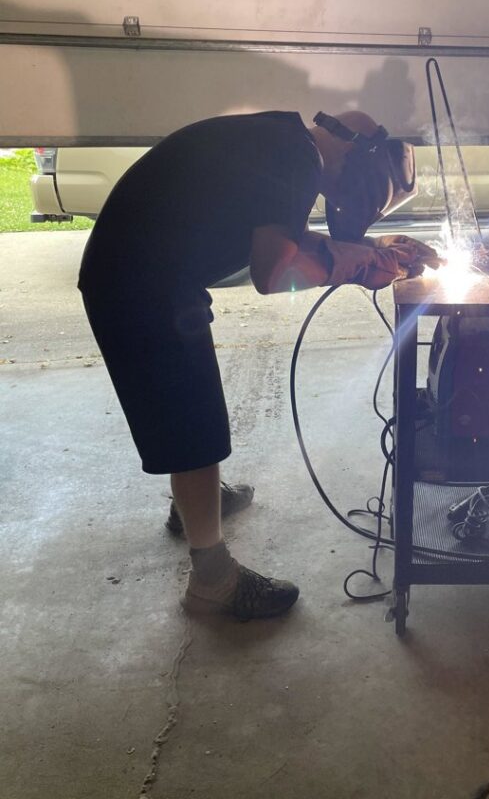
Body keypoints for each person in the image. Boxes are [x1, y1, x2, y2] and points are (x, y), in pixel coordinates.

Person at [78, 109, 441, 622]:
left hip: (146, 270)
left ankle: (194, 506)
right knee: (194, 422)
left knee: (187, 407)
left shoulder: (283, 143)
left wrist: (367, 249)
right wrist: (358, 263)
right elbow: (273, 271)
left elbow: (278, 235)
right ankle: (213, 581)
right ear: (357, 163)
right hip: (139, 284)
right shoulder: (293, 159)